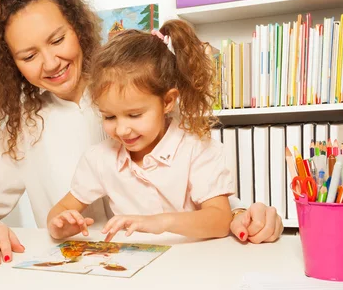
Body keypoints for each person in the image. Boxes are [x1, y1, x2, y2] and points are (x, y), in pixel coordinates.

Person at [0, 0, 284, 266]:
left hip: (178, 267)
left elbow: (202, 193)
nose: (49, 63)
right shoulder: (25, 127)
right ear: (12, 64)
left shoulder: (137, 90)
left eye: (58, 39)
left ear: (77, 28)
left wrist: (245, 215)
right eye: (29, 55)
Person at [48, 24, 234, 242]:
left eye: (134, 115)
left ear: (167, 102)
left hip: (190, 265)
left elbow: (221, 220)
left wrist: (161, 222)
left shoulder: (197, 148)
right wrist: (60, 224)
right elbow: (60, 210)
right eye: (109, 117)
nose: (122, 130)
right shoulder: (100, 158)